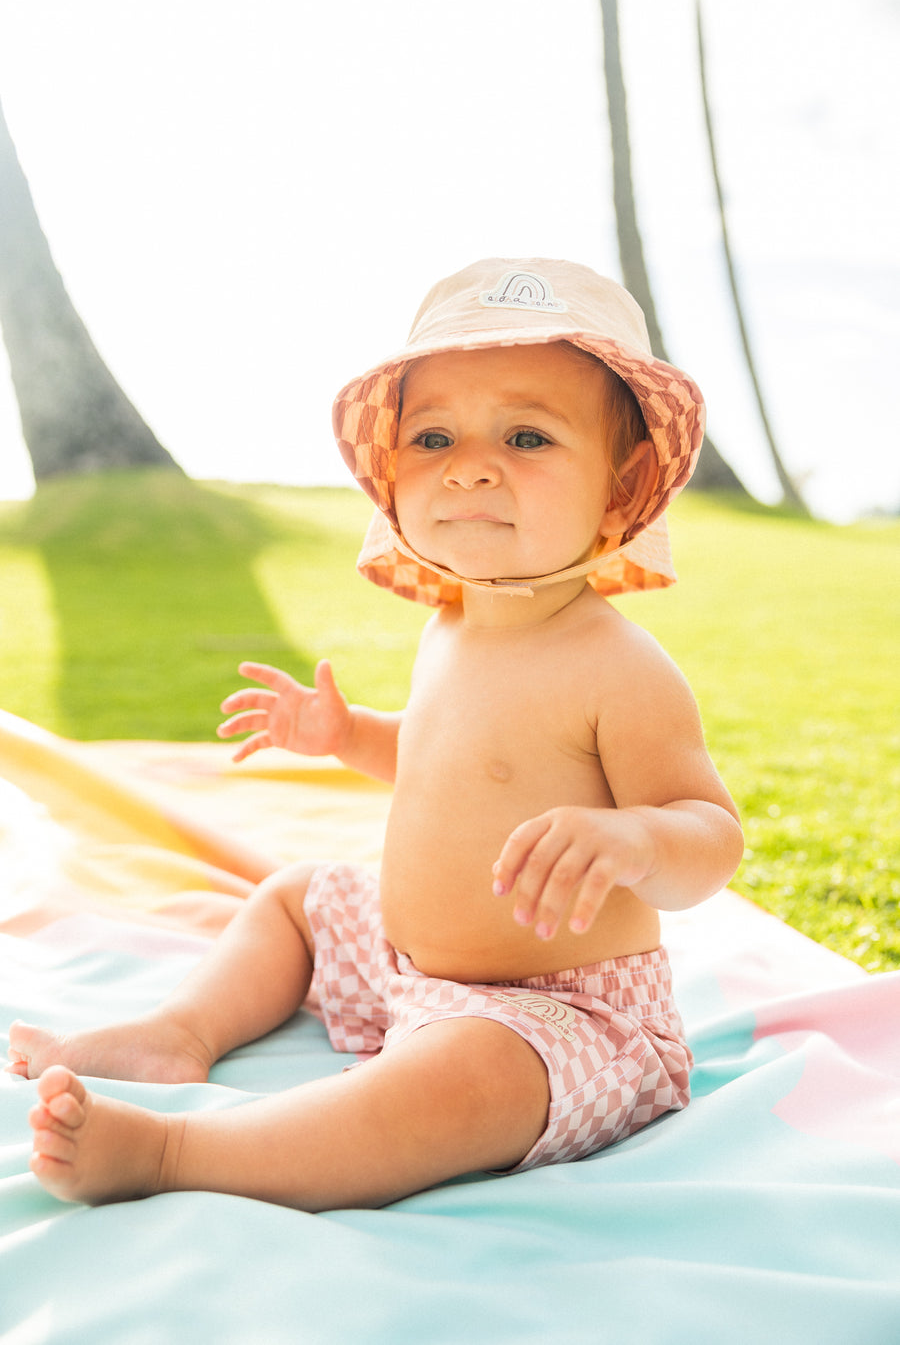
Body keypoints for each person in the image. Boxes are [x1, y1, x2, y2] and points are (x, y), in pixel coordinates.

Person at [7, 258, 743, 1211]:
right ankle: (180, 1031)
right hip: (405, 966)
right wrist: (347, 733)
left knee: (456, 1084)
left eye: (527, 435)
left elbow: (711, 835)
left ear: (623, 484)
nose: (470, 465)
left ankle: (178, 1156)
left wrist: (638, 838)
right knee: (294, 897)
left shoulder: (620, 667)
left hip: (553, 1014)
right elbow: (450, 760)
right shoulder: (452, 628)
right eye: (433, 436)